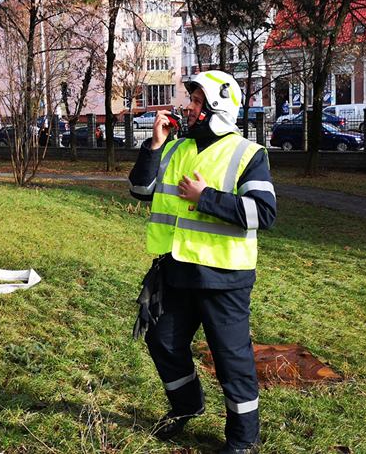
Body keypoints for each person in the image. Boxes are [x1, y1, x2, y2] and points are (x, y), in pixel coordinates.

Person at [128, 70, 276, 454]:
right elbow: (140, 189)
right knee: (162, 340)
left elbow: (263, 213)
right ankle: (187, 405)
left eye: (196, 101)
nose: (188, 107)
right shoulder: (176, 148)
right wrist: (154, 145)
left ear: (216, 108)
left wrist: (205, 197)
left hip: (223, 278)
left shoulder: (247, 154)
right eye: (191, 99)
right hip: (177, 272)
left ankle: (243, 440)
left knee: (231, 361)